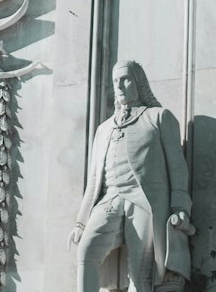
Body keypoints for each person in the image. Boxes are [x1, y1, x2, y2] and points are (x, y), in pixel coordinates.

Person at [70, 61, 193, 292]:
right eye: (116, 81)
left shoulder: (158, 117)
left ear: (139, 82)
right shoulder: (104, 129)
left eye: (126, 79)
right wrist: (80, 222)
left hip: (144, 201)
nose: (120, 86)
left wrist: (180, 206)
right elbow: (94, 181)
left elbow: (177, 166)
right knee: (86, 250)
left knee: (140, 271)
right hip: (109, 200)